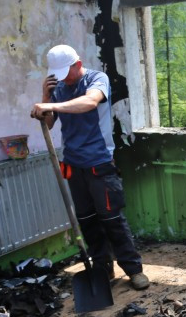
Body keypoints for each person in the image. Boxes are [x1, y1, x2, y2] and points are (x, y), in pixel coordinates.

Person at [30, 45, 150, 291]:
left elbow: (90, 102)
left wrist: (53, 106)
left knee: (112, 219)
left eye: (67, 73)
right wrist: (45, 98)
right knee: (87, 220)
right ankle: (102, 268)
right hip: (73, 165)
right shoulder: (59, 88)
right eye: (59, 74)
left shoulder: (96, 79)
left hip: (99, 162)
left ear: (78, 64)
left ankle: (134, 269)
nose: (64, 79)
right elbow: (49, 124)